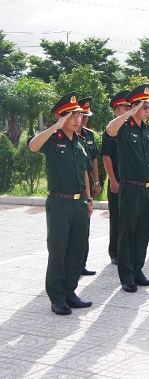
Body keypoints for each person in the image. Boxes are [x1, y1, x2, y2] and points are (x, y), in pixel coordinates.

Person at [28, 92, 93, 315]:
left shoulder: (79, 142)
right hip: (59, 203)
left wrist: (89, 199)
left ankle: (70, 292)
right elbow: (33, 146)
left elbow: (84, 172)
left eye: (78, 115)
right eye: (72, 115)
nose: (78, 119)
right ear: (61, 118)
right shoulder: (53, 141)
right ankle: (56, 297)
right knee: (58, 250)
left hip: (79, 203)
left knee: (76, 250)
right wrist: (55, 126)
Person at [106, 84, 149, 293]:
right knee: (127, 232)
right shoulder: (124, 128)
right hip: (131, 187)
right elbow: (109, 130)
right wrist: (130, 112)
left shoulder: (147, 130)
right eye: (144, 107)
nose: (147, 110)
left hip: (147, 188)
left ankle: (138, 270)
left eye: (148, 107)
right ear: (135, 107)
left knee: (143, 232)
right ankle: (126, 276)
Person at [101, 90, 130, 265]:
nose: (128, 110)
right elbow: (106, 156)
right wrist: (112, 179)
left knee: (128, 218)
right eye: (124, 107)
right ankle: (114, 251)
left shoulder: (130, 129)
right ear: (116, 111)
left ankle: (126, 250)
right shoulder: (111, 130)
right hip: (117, 180)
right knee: (117, 217)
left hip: (130, 182)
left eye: (129, 107)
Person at [77, 97, 101, 275]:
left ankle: (81, 263)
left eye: (86, 116)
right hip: (73, 187)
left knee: (85, 228)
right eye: (81, 115)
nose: (84, 119)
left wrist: (97, 181)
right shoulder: (69, 136)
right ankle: (73, 265)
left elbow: (93, 160)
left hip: (86, 185)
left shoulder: (89, 135)